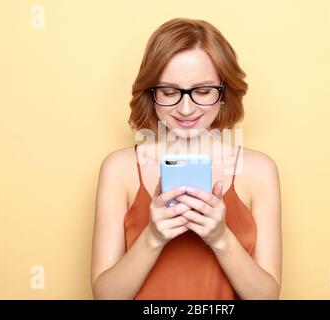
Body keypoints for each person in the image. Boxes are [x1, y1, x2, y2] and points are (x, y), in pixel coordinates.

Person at [91, 18, 282, 299]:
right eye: (169, 92)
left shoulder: (259, 171)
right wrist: (153, 237)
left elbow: (267, 296)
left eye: (203, 91)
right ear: (151, 95)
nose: (186, 107)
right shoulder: (119, 169)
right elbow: (106, 296)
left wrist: (220, 237)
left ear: (223, 93)